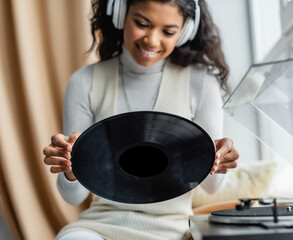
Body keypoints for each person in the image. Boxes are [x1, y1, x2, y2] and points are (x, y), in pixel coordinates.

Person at [43, 0, 239, 239]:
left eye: (168, 31)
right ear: (120, 14)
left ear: (185, 31)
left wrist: (219, 162)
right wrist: (70, 169)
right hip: (98, 228)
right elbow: (73, 197)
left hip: (174, 231)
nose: (152, 40)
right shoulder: (84, 82)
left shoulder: (201, 83)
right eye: (142, 24)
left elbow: (212, 188)